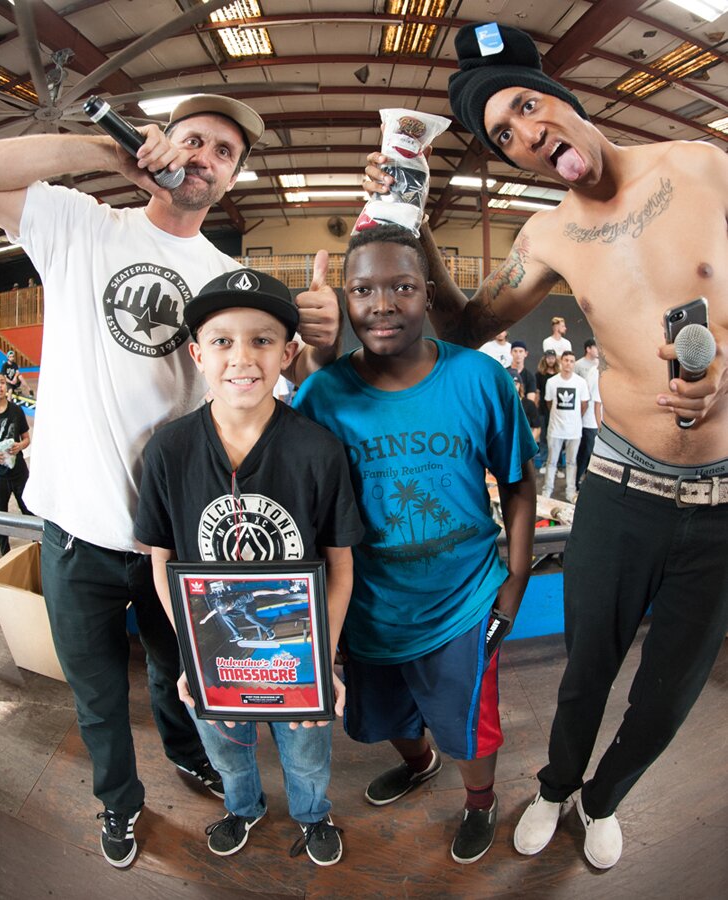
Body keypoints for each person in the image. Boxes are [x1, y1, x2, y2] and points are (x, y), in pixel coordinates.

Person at [364, 21, 728, 870]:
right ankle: (558, 785)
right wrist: (412, 216)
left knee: (670, 690)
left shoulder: (703, 167)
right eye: (504, 136)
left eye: (528, 107)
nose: (526, 135)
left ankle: (604, 799)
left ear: (565, 100)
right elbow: (462, 324)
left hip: (723, 501)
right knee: (586, 666)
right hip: (623, 484)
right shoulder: (547, 237)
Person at [0, 94, 341, 868]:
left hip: (178, 539)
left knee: (174, 672)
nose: (203, 158)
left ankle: (191, 758)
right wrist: (103, 152)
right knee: (96, 693)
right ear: (160, 144)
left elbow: (266, 394)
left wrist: (322, 341)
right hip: (76, 533)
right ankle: (119, 802)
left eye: (224, 152)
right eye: (193, 139)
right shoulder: (82, 225)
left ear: (231, 178)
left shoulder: (227, 277)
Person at [294, 225, 537, 865]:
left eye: (401, 287)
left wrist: (514, 582)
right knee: (384, 716)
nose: (382, 305)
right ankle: (419, 761)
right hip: (370, 606)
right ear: (345, 300)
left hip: (463, 600)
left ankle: (479, 801)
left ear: (428, 294)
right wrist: (324, 611)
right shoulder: (321, 395)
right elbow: (309, 513)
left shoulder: (480, 378)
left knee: (471, 724)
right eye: (363, 290)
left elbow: (519, 483)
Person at [135, 268, 363, 867]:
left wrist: (323, 658)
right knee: (227, 748)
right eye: (222, 341)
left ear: (288, 353)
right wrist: (193, 651)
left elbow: (340, 567)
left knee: (307, 749)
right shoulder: (168, 451)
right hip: (214, 653)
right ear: (197, 355)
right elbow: (162, 560)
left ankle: (312, 814)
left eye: (262, 340)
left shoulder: (318, 450)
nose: (242, 357)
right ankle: (242, 807)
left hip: (298, 653)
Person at [543, 351, 588, 503]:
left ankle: (570, 491)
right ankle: (547, 490)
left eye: (571, 361)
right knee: (551, 461)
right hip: (555, 429)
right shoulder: (552, 382)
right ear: (561, 362)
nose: (568, 363)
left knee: (571, 462)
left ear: (574, 363)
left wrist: (574, 419)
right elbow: (549, 403)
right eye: (566, 360)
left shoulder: (581, 382)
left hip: (574, 430)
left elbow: (584, 404)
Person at [0, 372, 31, 555]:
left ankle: (38, 547)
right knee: (0, 517)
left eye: (2, 382)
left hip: (18, 473)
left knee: (28, 510)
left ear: (6, 386)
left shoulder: (16, 411)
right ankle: (6, 556)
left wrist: (20, 446)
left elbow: (26, 438)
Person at [575, 361, 601, 490]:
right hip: (591, 423)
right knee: (586, 455)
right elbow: (597, 404)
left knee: (585, 455)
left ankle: (579, 482)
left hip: (590, 422)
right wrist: (600, 427)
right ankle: (579, 483)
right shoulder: (598, 373)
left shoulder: (594, 369)